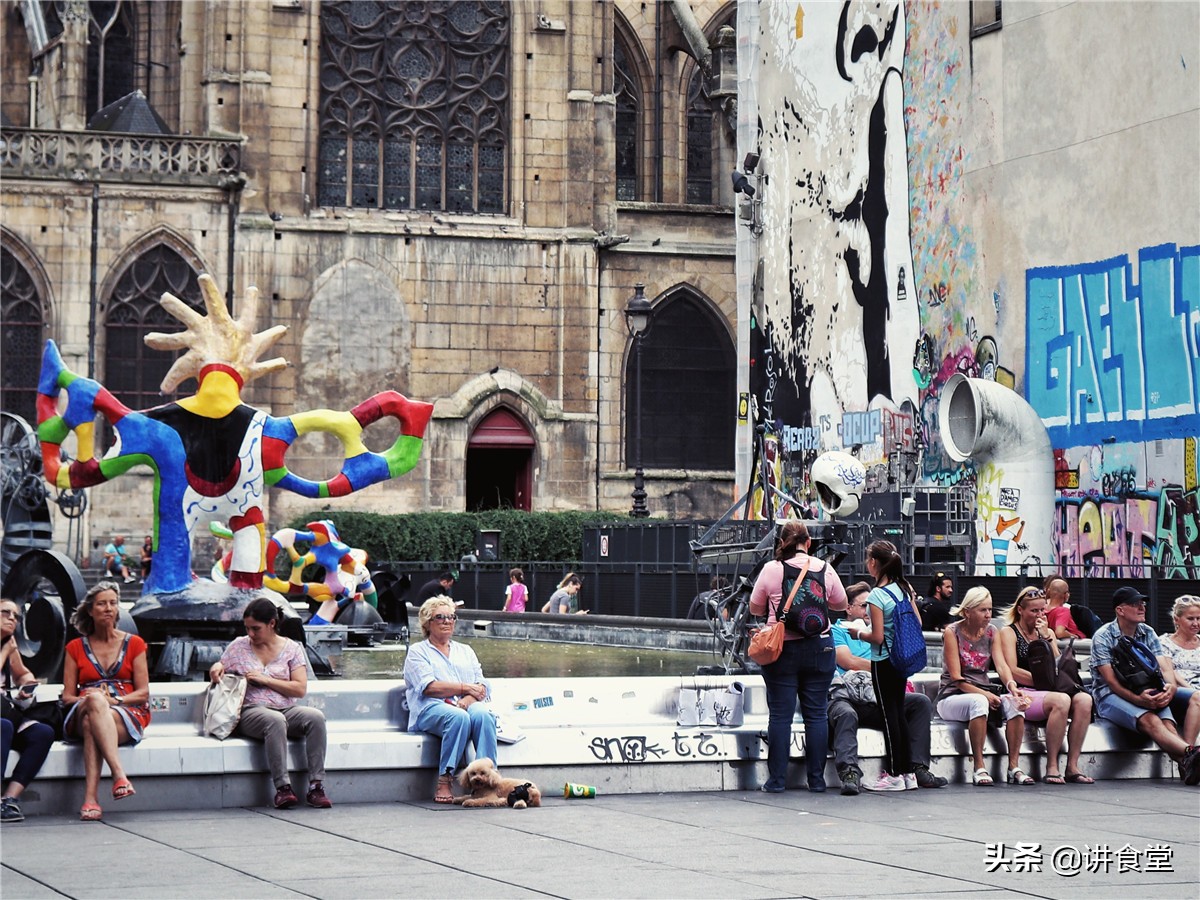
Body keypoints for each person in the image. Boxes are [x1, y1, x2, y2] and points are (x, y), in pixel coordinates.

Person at [749, 520, 848, 793]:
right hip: (820, 648)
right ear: (809, 542)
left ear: (782, 543)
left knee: (780, 716)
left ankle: (777, 781)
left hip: (781, 650)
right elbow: (841, 604)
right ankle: (816, 781)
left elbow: (755, 608)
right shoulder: (825, 569)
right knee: (816, 715)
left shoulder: (772, 569)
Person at [210, 596, 332, 809]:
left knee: (315, 717)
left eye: (256, 629)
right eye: (247, 628)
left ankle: (316, 785)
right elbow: (222, 663)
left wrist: (265, 680)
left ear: (272, 624)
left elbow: (299, 688)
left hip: (286, 707)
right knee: (274, 720)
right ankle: (283, 788)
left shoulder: (292, 649)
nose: (251, 634)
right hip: (251, 710)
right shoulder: (239, 646)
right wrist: (217, 666)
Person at [829, 583, 946, 795]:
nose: (870, 611)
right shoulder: (838, 630)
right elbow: (847, 661)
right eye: (865, 605)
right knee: (845, 714)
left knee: (920, 703)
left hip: (880, 697)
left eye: (873, 606)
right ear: (848, 608)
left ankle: (917, 767)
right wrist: (883, 665)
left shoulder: (880, 632)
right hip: (849, 696)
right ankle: (850, 773)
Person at [1090, 587, 1200, 785]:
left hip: (1149, 689)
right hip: (1110, 696)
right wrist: (1138, 700)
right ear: (1120, 610)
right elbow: (1111, 682)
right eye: (1135, 604)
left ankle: (1190, 763)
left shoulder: (1147, 632)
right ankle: (1191, 754)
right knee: (1151, 720)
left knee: (1168, 725)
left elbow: (1164, 667)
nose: (1142, 607)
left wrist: (1170, 689)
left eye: (1143, 604)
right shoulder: (1103, 636)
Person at [62, 581, 151, 821]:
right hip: (83, 709)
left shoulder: (134, 644)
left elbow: (143, 693)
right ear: (90, 610)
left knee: (94, 721)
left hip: (125, 711)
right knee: (94, 704)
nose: (109, 608)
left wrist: (114, 700)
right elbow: (67, 696)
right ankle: (118, 775)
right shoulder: (74, 647)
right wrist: (92, 698)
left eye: (113, 603)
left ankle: (91, 799)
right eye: (102, 604)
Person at [935, 586, 1033, 786]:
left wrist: (1012, 686)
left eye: (990, 610)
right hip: (951, 696)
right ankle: (979, 767)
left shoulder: (991, 632)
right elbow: (956, 678)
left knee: (1015, 703)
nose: (988, 615)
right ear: (967, 611)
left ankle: (1014, 766)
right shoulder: (951, 632)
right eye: (983, 610)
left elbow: (1001, 665)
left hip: (983, 692)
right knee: (979, 702)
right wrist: (985, 695)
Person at [403, 596, 497, 804]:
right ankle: (445, 779)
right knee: (458, 718)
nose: (447, 621)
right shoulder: (418, 652)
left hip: (466, 704)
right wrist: (464, 688)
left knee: (483, 715)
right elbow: (429, 688)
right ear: (428, 623)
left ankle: (489, 782)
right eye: (440, 617)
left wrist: (468, 698)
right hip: (431, 708)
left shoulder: (466, 651)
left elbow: (482, 686)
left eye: (451, 617)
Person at [996, 586, 1094, 784]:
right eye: (1034, 611)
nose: (1039, 615)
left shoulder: (1047, 631)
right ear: (1021, 610)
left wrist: (1047, 638)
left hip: (1051, 689)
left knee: (1084, 699)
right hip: (1025, 690)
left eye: (1042, 610)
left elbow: (1058, 664)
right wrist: (1046, 682)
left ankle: (1072, 765)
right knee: (1061, 700)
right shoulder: (1009, 632)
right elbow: (1013, 669)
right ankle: (1052, 765)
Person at [855, 540, 927, 792]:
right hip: (902, 659)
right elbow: (917, 621)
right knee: (899, 715)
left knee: (889, 717)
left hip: (883, 660)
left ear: (874, 562)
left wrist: (858, 633)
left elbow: (876, 637)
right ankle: (908, 774)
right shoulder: (903, 589)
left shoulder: (876, 595)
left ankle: (895, 774)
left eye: (868, 560)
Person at [1, 598, 56, 823]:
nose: (12, 619)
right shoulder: (7, 646)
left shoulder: (9, 643)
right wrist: (5, 651)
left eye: (16, 615)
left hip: (6, 710)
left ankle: (9, 799)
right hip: (3, 719)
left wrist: (27, 685)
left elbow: (22, 673)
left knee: (43, 733)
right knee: (3, 726)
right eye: (6, 613)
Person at [1160, 595, 1200, 690]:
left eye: (1198, 618)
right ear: (1176, 619)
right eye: (1190, 619)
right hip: (1182, 691)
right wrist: (1194, 692)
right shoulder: (1164, 643)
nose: (1195, 623)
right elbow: (1169, 672)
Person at [1043, 575, 1086, 639]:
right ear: (1066, 595)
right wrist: (1073, 636)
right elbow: (1059, 633)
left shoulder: (1043, 609)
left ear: (1048, 592)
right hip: (1078, 646)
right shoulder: (1063, 611)